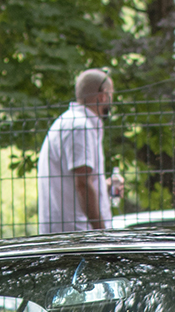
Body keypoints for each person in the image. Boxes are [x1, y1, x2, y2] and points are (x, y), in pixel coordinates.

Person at [37, 69, 122, 233]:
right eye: (111, 95)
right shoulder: (81, 127)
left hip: (66, 233)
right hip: (78, 236)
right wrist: (101, 232)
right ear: (103, 96)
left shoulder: (67, 122)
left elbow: (76, 181)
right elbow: (82, 184)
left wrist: (105, 186)